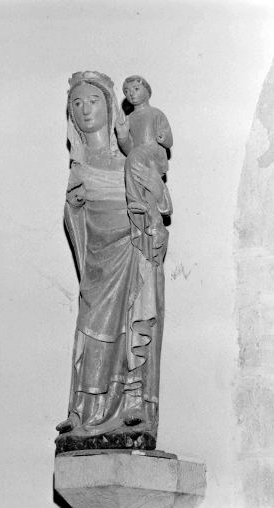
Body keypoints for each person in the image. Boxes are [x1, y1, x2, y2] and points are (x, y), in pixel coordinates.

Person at [55, 71, 172, 450]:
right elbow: (75, 219)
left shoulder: (131, 157)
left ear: (109, 108)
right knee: (91, 327)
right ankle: (84, 411)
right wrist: (75, 207)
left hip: (131, 252)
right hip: (97, 263)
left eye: (93, 101)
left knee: (132, 326)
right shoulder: (78, 167)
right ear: (71, 115)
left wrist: (149, 219)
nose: (85, 109)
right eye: (76, 103)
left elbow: (158, 204)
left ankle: (133, 407)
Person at [115, 75, 173, 265]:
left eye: (136, 89)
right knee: (148, 195)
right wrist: (123, 136)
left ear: (147, 91)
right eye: (127, 91)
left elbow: (169, 140)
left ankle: (136, 202)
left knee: (136, 160)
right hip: (139, 158)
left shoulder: (156, 114)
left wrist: (163, 137)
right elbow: (130, 150)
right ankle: (153, 225)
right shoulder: (130, 118)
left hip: (153, 156)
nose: (131, 93)